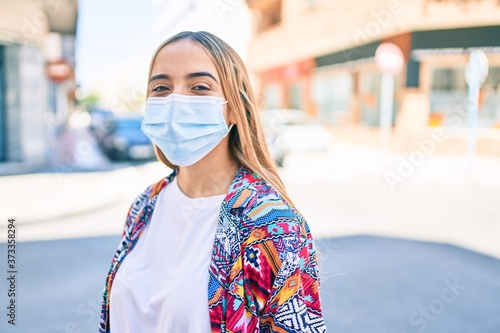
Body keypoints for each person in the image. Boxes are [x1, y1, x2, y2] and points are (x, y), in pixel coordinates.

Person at [99, 31, 327, 333]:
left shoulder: (273, 226)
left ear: (234, 108)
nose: (175, 100)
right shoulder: (145, 204)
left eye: (200, 87)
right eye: (161, 87)